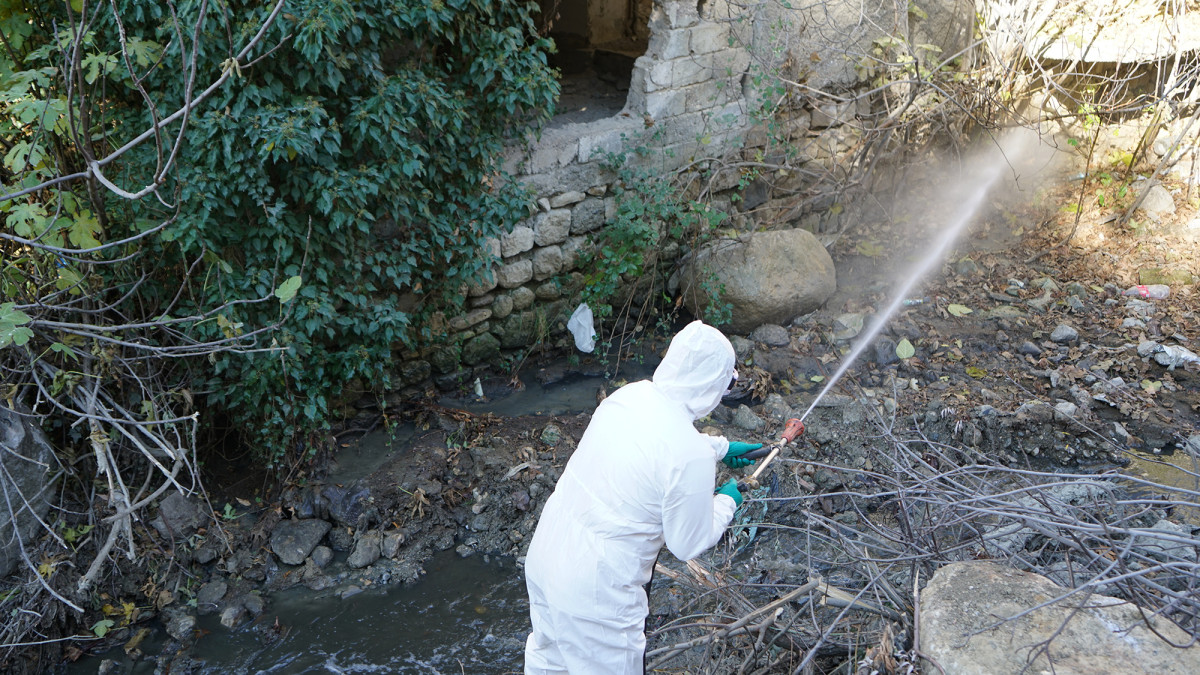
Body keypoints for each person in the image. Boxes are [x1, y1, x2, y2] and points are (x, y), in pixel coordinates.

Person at [523, 320, 762, 674]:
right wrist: (726, 500)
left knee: (549, 664)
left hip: (547, 558)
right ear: (713, 385)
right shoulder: (688, 456)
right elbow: (688, 542)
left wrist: (719, 448)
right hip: (597, 592)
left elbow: (648, 450)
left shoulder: (630, 396)